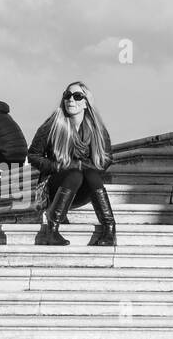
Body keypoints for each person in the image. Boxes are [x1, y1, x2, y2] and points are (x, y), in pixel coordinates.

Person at [26, 81, 116, 246]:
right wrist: (58, 166)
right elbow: (33, 155)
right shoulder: (53, 124)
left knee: (90, 173)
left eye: (77, 96)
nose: (71, 100)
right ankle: (52, 230)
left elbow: (107, 158)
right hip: (54, 188)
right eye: (67, 95)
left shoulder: (97, 129)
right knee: (74, 173)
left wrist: (87, 166)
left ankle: (110, 230)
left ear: (86, 103)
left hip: (82, 192)